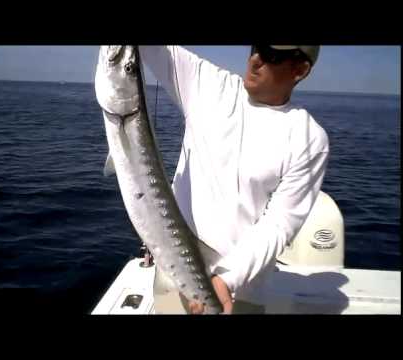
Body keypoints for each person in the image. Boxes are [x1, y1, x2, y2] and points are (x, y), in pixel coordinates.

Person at [139, 45, 329, 314]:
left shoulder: (309, 138)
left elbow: (280, 224)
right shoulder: (206, 84)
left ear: (300, 70)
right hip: (174, 275)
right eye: (256, 47)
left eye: (271, 55)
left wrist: (227, 279)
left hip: (244, 291)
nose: (255, 60)